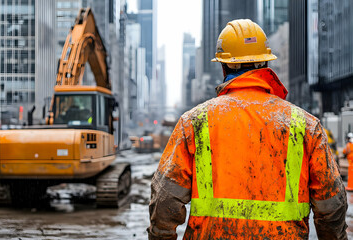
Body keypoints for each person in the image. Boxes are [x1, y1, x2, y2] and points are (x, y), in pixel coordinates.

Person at [148, 19, 347, 239]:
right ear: (265, 64)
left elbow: (165, 200)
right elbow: (331, 205)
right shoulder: (305, 125)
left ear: (223, 66)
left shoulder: (194, 122)